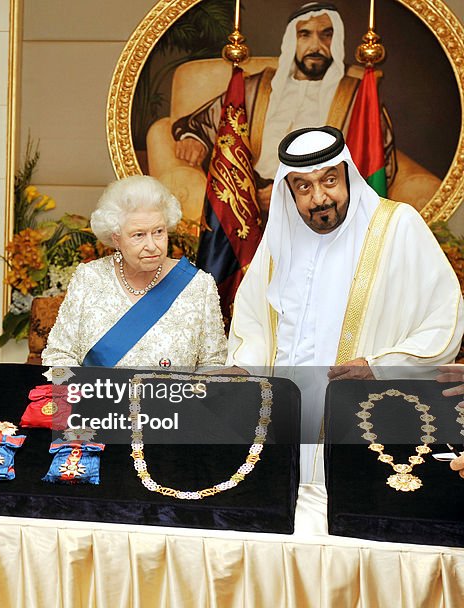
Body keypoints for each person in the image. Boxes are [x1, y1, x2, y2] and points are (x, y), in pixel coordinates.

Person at [227, 125, 464, 482]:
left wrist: (379, 366)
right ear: (288, 191)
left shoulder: (398, 226)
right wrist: (244, 368)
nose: (319, 197)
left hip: (367, 418)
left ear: (348, 175)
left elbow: (443, 321)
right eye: (303, 186)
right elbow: (255, 324)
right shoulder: (279, 242)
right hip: (285, 423)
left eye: (329, 180)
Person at [172, 2, 395, 212]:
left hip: (318, 205)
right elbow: (213, 119)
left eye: (326, 35)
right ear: (292, 41)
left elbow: (377, 161)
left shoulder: (357, 96)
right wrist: (194, 139)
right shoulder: (256, 86)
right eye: (305, 34)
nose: (316, 45)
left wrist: (292, 192)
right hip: (249, 200)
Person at [42, 175, 226, 370]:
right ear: (116, 239)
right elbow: (59, 355)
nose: (152, 246)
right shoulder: (89, 278)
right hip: (98, 399)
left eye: (158, 232)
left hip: (173, 399)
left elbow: (212, 364)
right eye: (139, 235)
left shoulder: (198, 285)